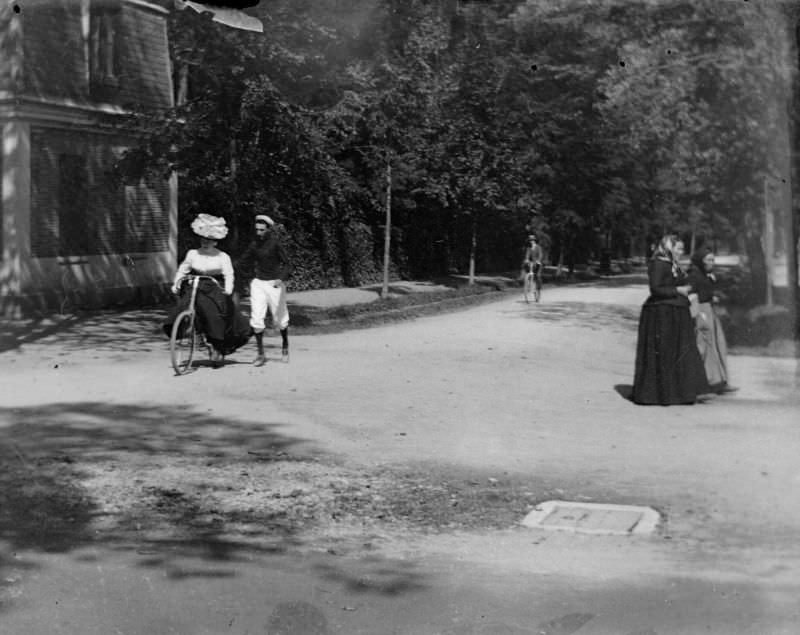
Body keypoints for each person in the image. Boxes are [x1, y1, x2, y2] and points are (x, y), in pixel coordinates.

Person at [632, 234, 711, 405]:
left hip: (676, 312)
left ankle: (683, 391)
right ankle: (662, 393)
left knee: (681, 352)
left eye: (682, 249)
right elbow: (655, 289)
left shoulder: (672, 264)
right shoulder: (659, 263)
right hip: (662, 314)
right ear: (668, 248)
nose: (681, 252)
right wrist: (678, 290)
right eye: (679, 249)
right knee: (667, 352)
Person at [163, 214, 250, 367]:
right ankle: (184, 329)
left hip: (213, 286)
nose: (205, 242)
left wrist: (228, 289)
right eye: (203, 239)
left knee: (214, 314)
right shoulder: (192, 254)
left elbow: (229, 274)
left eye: (209, 240)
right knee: (182, 306)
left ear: (215, 242)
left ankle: (215, 345)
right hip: (194, 284)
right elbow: (183, 270)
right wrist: (176, 283)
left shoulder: (222, 256)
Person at [237, 214, 291, 366]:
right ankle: (261, 354)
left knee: (280, 319)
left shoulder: (275, 244)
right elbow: (244, 260)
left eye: (261, 230)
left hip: (274, 284)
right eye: (257, 230)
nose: (258, 233)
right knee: (257, 318)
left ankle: (285, 345)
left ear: (268, 230)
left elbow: (287, 264)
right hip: (258, 283)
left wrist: (281, 278)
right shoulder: (254, 244)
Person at [686, 247, 737, 394]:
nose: (712, 262)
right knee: (705, 346)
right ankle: (707, 382)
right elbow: (692, 295)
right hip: (701, 312)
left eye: (713, 259)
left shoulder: (705, 274)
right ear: (700, 260)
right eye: (708, 260)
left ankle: (720, 381)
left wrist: (711, 295)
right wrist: (698, 315)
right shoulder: (693, 274)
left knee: (718, 344)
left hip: (709, 310)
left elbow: (705, 291)